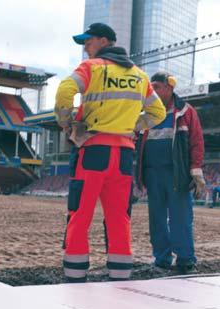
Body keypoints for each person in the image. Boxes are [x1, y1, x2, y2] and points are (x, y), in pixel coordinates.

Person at [55, 23, 166, 282]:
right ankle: (119, 277)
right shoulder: (140, 76)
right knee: (119, 219)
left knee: (80, 215)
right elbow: (158, 112)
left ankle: (74, 277)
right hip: (124, 157)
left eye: (88, 41)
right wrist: (135, 127)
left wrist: (65, 121)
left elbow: (64, 91)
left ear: (105, 41)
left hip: (93, 152)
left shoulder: (92, 67)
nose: (85, 47)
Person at [136, 71, 205, 273]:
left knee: (180, 218)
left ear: (169, 87)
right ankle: (162, 258)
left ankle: (185, 259)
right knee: (156, 219)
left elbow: (196, 141)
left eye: (157, 87)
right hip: (152, 173)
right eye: (152, 87)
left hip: (177, 174)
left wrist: (196, 171)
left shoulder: (186, 112)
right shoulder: (145, 114)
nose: (153, 91)